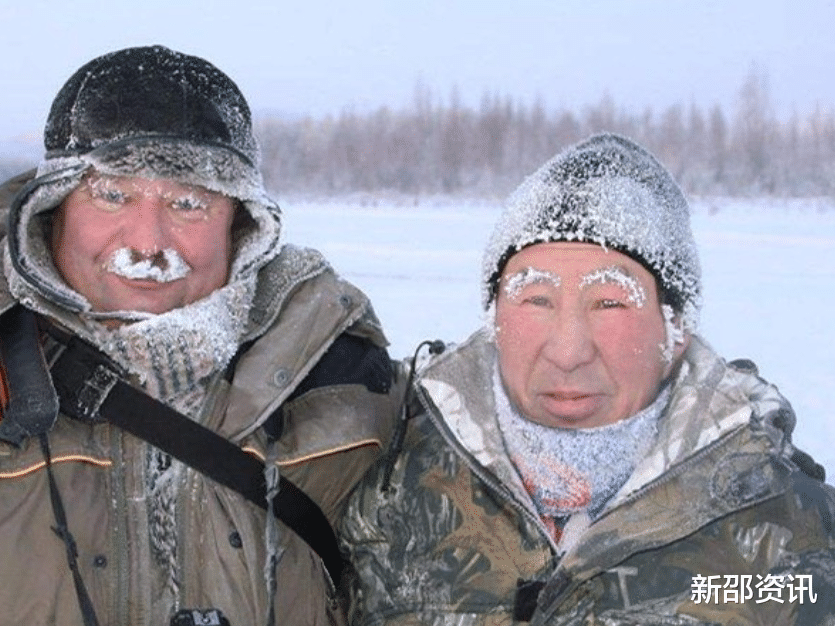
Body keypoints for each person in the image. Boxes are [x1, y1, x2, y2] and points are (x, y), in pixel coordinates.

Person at [0, 45, 401, 626]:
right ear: (52, 208)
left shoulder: (353, 390)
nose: (148, 243)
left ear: (242, 223)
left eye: (189, 202)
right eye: (112, 195)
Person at [340, 133, 835, 625]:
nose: (568, 352)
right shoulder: (379, 485)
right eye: (536, 299)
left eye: (610, 302)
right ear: (494, 319)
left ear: (676, 329)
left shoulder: (792, 534)